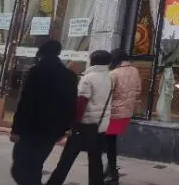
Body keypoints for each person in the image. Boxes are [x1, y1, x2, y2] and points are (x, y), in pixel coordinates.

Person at [10, 40, 77, 185]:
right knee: (36, 163)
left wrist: (16, 129)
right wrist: (64, 129)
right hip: (52, 129)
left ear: (42, 52)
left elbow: (26, 102)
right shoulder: (69, 75)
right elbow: (71, 105)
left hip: (31, 128)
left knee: (21, 165)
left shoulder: (37, 71)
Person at [47, 50, 113, 185]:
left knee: (66, 159)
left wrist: (73, 123)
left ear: (92, 61)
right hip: (100, 125)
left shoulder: (88, 78)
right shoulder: (109, 78)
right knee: (96, 161)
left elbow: (81, 103)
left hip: (84, 125)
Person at [104, 48, 141, 184]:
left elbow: (107, 94)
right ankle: (110, 170)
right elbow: (138, 91)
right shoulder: (135, 71)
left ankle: (112, 174)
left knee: (109, 144)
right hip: (126, 113)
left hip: (113, 113)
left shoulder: (113, 73)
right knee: (111, 142)